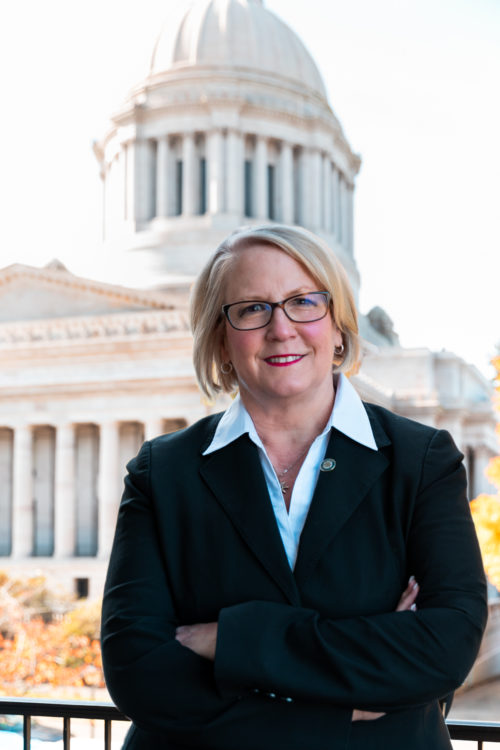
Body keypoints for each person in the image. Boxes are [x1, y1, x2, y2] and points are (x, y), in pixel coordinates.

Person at [101, 224, 488, 750]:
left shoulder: (420, 460)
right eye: (252, 308)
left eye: (304, 301)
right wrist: (348, 698)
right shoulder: (161, 472)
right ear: (220, 338)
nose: (281, 328)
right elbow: (137, 669)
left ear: (338, 325)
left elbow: (446, 644)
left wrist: (232, 640)